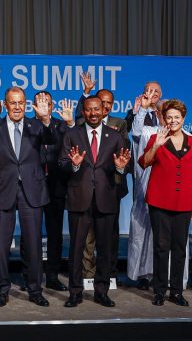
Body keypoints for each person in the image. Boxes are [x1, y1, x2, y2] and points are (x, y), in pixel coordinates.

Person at [59, 96, 131, 308]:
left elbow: (125, 165)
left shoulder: (115, 136)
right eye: (89, 109)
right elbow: (61, 163)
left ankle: (102, 292)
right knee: (76, 248)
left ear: (104, 110)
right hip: (79, 199)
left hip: (106, 199)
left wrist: (119, 167)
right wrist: (73, 166)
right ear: (84, 110)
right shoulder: (72, 134)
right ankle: (75, 292)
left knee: (105, 249)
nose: (93, 113)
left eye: (97, 109)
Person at [0, 87, 55, 308]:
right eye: (12, 103)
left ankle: (35, 289)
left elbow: (51, 139)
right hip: (3, 190)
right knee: (2, 245)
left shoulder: (36, 126)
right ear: (5, 104)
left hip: (31, 191)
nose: (17, 107)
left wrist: (46, 119)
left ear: (26, 105)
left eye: (21, 103)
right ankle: (2, 290)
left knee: (34, 244)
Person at [138, 99, 192, 307]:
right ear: (164, 119)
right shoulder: (156, 138)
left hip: (184, 203)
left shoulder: (191, 141)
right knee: (161, 247)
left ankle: (176, 292)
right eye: (169, 117)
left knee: (179, 248)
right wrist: (156, 146)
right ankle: (159, 291)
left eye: (176, 117)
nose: (172, 121)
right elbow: (144, 163)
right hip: (160, 201)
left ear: (183, 119)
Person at [35, 92, 74, 291]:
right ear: (33, 106)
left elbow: (75, 143)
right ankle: (30, 277)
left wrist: (71, 124)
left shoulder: (62, 125)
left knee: (55, 235)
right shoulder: (27, 125)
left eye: (47, 103)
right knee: (30, 234)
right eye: (40, 103)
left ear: (52, 106)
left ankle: (52, 276)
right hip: (32, 186)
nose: (44, 106)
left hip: (56, 186)